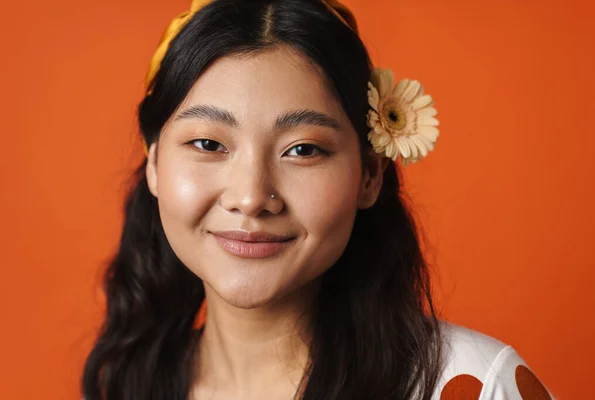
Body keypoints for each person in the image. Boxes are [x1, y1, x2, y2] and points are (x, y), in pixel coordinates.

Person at [81, 0, 555, 399]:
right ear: (155, 164)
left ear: (369, 175)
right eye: (208, 144)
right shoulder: (131, 382)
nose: (250, 198)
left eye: (302, 150)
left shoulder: (471, 382)